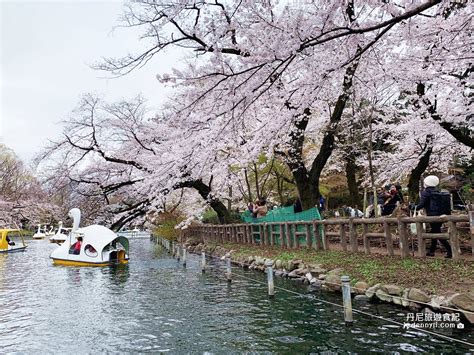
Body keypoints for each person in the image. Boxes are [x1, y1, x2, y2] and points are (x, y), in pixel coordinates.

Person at [411, 175, 452, 258]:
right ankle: (432, 251)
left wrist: (412, 207)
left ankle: (450, 250)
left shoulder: (426, 192)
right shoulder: (438, 191)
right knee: (435, 231)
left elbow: (421, 205)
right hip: (441, 215)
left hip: (432, 215)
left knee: (436, 232)